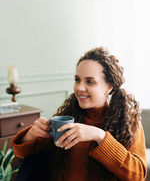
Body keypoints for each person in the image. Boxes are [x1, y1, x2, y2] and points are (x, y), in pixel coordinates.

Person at [12, 47, 147, 181]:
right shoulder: (67, 116)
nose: (79, 87)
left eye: (90, 82)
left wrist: (99, 136)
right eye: (77, 79)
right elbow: (22, 157)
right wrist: (30, 135)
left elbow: (138, 176)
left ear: (109, 86)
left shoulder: (129, 122)